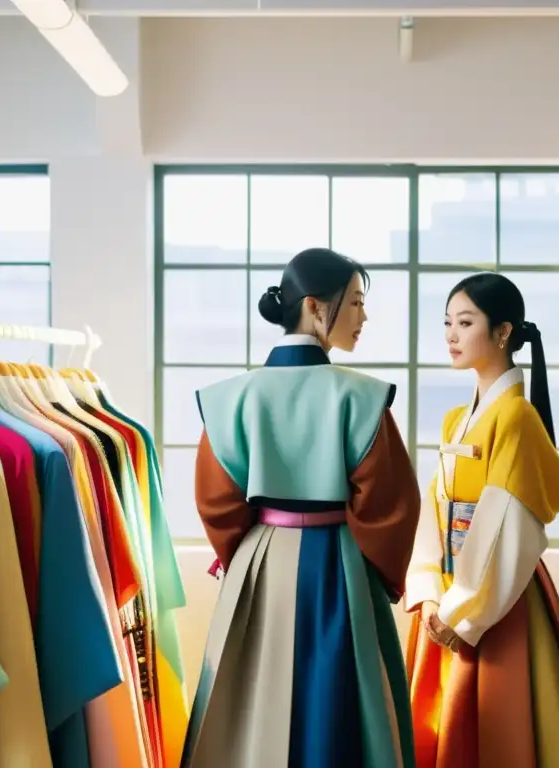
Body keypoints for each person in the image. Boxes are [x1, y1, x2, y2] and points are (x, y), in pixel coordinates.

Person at [182, 247, 421, 768]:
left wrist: (241, 552)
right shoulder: (363, 397)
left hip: (259, 559)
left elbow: (216, 501)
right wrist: (378, 571)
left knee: (247, 698)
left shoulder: (230, 397)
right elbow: (389, 501)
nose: (363, 317)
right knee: (345, 700)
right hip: (340, 563)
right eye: (355, 302)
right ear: (314, 307)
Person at [405, 272, 559, 768]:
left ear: (503, 332)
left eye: (465, 322)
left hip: (496, 595)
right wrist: (429, 588)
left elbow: (505, 525)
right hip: (452, 588)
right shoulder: (457, 418)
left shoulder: (516, 417)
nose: (451, 334)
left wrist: (462, 611)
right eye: (447, 322)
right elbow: (433, 507)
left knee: (499, 728)